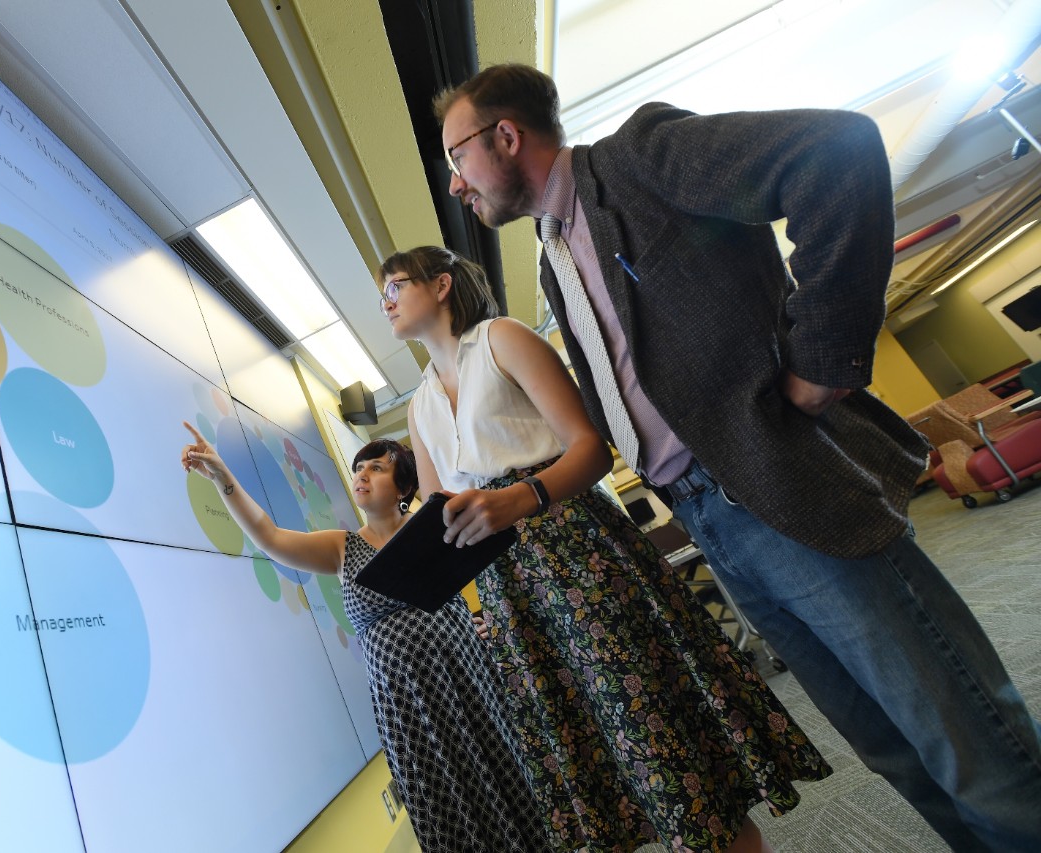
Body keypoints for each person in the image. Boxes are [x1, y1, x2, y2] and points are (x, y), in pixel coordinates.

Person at [433, 63, 1041, 852]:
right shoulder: (554, 254)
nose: (455, 185)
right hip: (707, 518)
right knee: (890, 750)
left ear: (506, 136)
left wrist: (822, 356)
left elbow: (838, 151)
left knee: (962, 735)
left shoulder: (637, 159)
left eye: (457, 158)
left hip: (778, 480)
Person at [381, 245, 830, 853]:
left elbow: (591, 449)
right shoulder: (419, 406)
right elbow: (440, 516)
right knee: (594, 751)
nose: (386, 302)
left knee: (655, 726)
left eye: (396, 286)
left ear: (439, 286)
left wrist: (521, 498)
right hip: (509, 589)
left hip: (574, 552)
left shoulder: (502, 339)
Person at [179, 424, 555, 852]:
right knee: (443, 801)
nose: (361, 474)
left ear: (403, 487)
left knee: (498, 774)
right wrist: (222, 476)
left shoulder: (436, 526)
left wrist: (485, 622)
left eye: (376, 468)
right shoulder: (342, 547)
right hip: (405, 708)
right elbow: (270, 536)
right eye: (359, 467)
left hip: (464, 682)